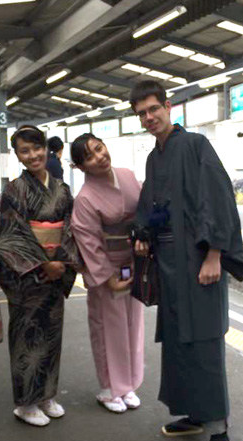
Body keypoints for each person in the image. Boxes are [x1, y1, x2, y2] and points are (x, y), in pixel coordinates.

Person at [130, 81, 243, 441]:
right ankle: (194, 413)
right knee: (179, 343)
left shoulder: (196, 145)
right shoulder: (154, 158)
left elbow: (216, 198)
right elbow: (151, 205)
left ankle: (219, 432)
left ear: (168, 106)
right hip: (170, 264)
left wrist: (215, 253)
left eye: (153, 109)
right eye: (141, 113)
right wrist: (143, 233)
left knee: (203, 343)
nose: (149, 118)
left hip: (199, 261)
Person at [0, 125, 78, 427]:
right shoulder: (14, 190)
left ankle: (47, 394)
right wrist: (44, 263)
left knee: (52, 334)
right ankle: (26, 402)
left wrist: (63, 262)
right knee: (26, 337)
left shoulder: (62, 188)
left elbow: (69, 227)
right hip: (27, 275)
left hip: (57, 270)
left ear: (46, 148)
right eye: (25, 151)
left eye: (37, 148)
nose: (33, 155)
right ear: (17, 155)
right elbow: (11, 233)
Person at [70, 133, 144, 414]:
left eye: (99, 149)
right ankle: (109, 387)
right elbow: (87, 240)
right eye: (89, 156)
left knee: (132, 325)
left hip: (133, 261)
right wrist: (105, 275)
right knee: (106, 327)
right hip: (107, 267)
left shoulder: (127, 175)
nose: (99, 157)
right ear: (81, 167)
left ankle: (129, 384)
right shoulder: (85, 198)